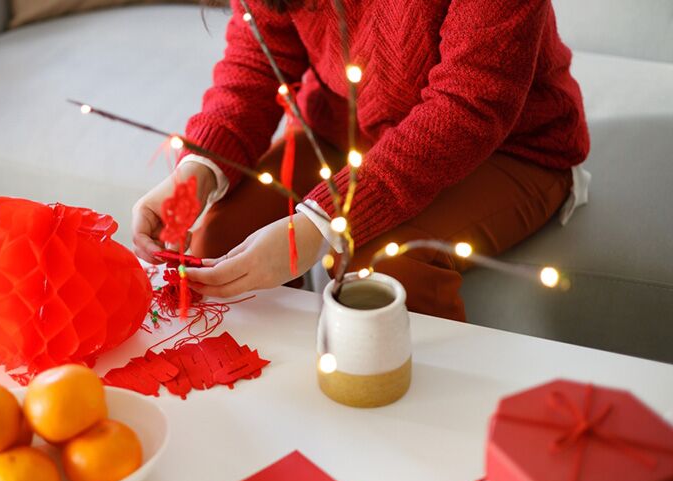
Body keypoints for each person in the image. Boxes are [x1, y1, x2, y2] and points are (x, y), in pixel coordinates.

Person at [132, 0, 589, 321]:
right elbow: (256, 65)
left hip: (510, 146)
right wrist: (198, 172)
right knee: (216, 242)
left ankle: (417, 431)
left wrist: (320, 223)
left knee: (381, 270)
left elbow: (469, 107)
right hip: (343, 131)